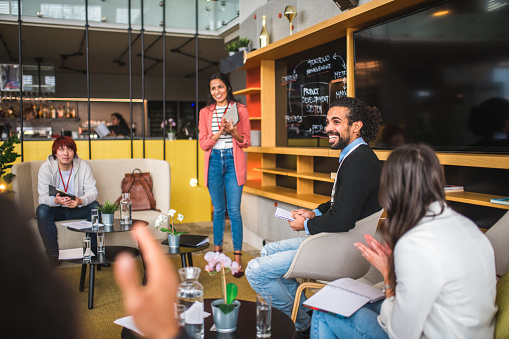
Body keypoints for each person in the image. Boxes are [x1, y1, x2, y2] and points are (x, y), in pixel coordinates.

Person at [311, 144, 497, 339]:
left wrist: (389, 276)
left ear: (393, 188)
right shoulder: (466, 226)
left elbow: (400, 333)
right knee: (350, 301)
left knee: (325, 311)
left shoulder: (415, 244)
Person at [246, 97, 383, 337]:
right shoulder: (356, 156)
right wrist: (315, 212)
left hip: (340, 249)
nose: (328, 127)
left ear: (356, 126)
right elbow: (342, 203)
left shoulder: (359, 162)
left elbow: (342, 220)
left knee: (256, 271)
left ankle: (302, 326)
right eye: (328, 121)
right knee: (267, 252)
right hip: (335, 241)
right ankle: (304, 317)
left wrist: (306, 224)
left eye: (336, 122)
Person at [198, 72, 251, 275]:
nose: (217, 91)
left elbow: (246, 141)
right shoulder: (205, 112)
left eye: (220, 86)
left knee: (234, 210)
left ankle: (237, 257)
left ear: (227, 87)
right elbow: (204, 144)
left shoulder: (240, 109)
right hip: (213, 162)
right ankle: (217, 254)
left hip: (233, 161)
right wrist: (220, 131)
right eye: (213, 88)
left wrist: (233, 131)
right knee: (218, 210)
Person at [36, 136, 100, 267]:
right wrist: (55, 200)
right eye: (61, 149)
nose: (66, 153)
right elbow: (42, 197)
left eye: (70, 149)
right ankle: (53, 256)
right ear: (55, 153)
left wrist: (80, 201)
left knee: (95, 207)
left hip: (77, 208)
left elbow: (93, 192)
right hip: (57, 208)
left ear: (74, 152)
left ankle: (93, 252)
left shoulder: (84, 166)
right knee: (42, 210)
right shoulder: (46, 168)